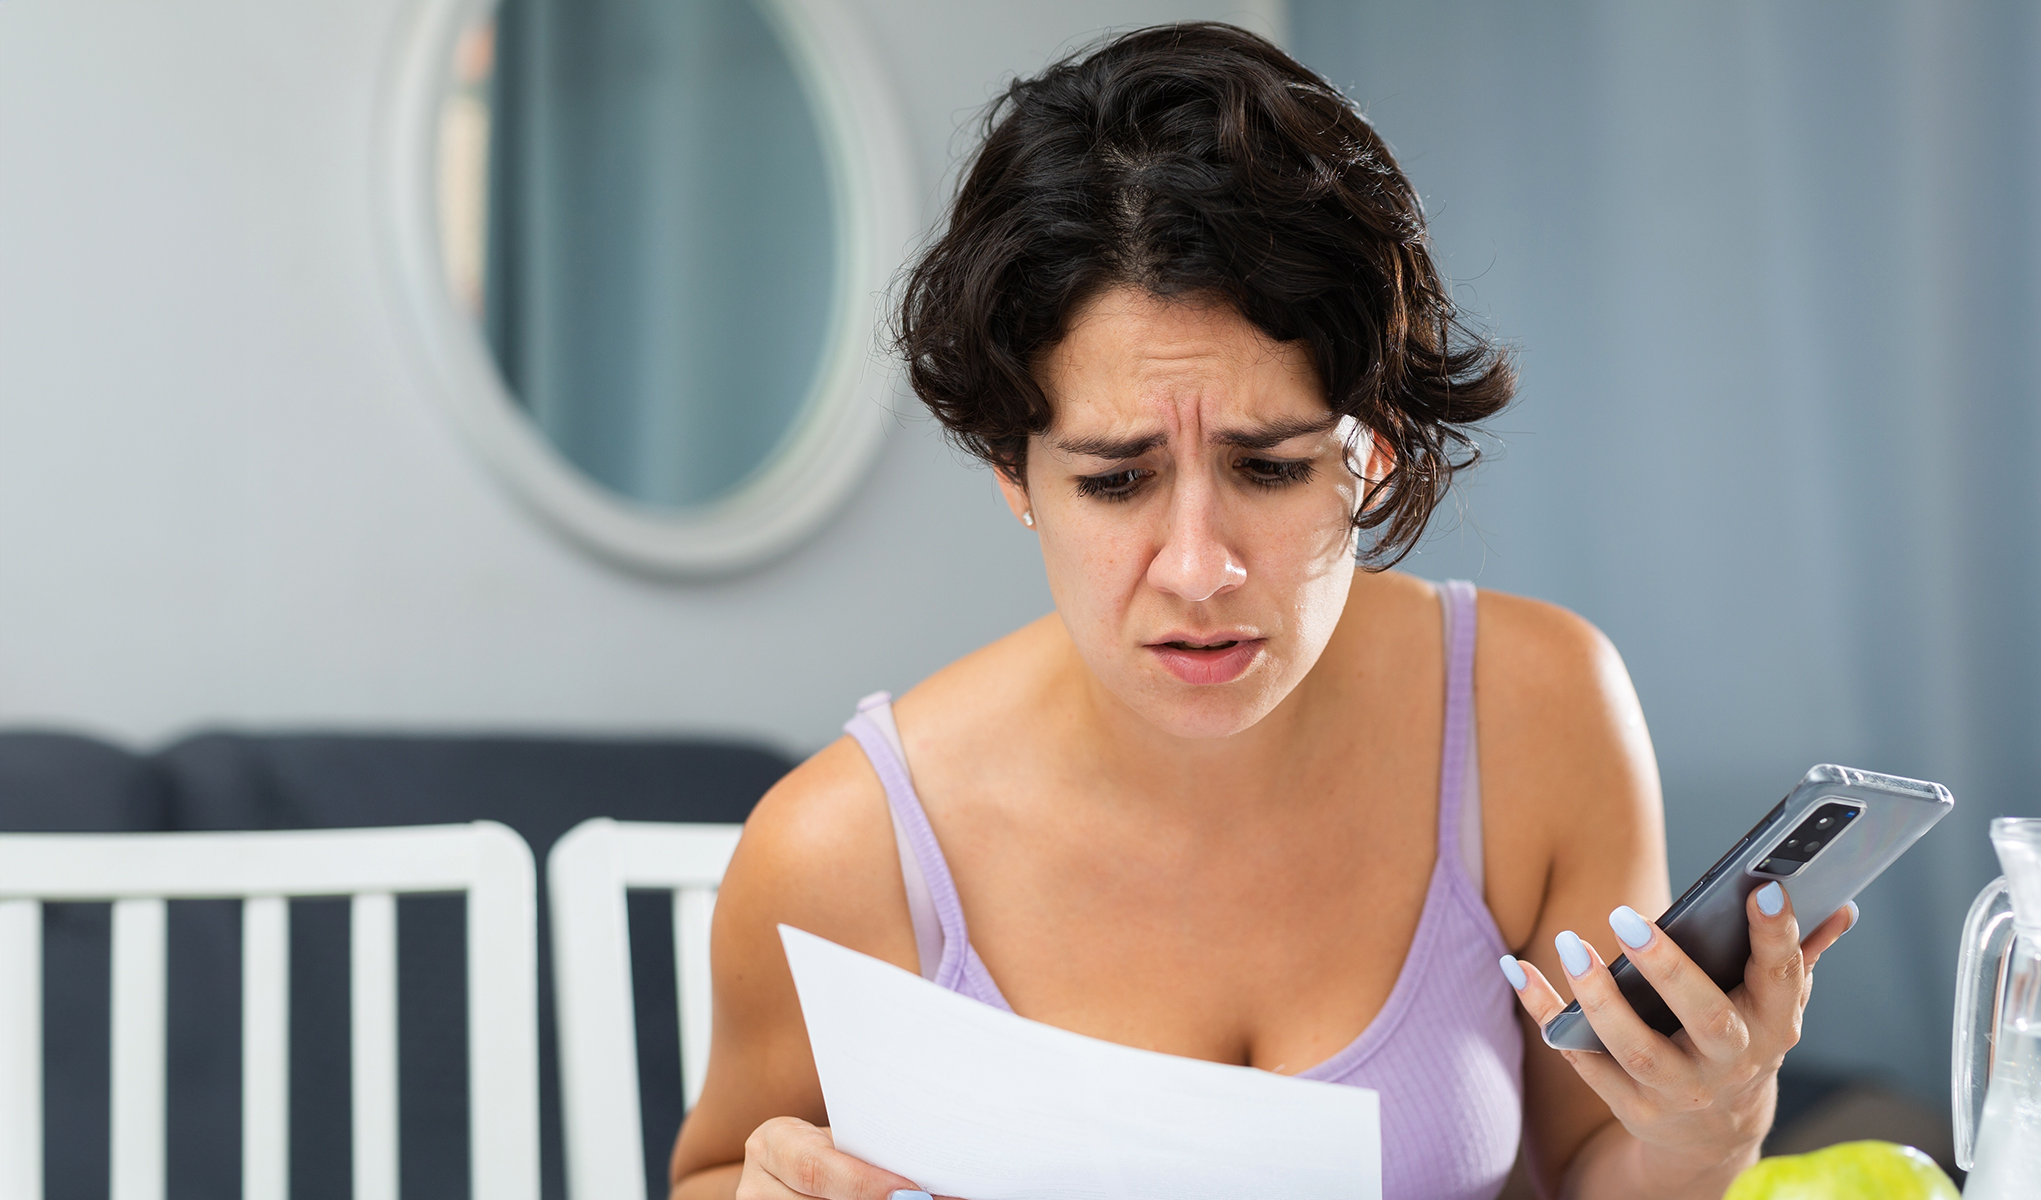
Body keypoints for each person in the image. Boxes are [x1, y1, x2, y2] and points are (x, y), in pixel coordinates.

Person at [668, 22, 1856, 1200]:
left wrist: (1709, 1125)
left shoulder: (1535, 715)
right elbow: (722, 1173)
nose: (1197, 569)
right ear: (1013, 473)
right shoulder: (842, 852)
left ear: (1375, 450)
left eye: (1272, 468)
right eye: (1115, 480)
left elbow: (1591, 1165)